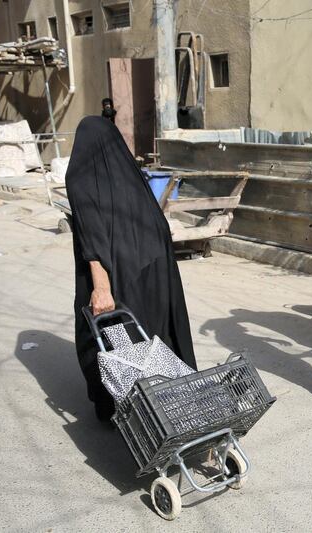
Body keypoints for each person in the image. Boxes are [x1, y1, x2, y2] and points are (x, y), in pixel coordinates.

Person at [65, 116, 197, 421]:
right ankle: (175, 401)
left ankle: (127, 409)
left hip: (120, 273)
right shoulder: (127, 170)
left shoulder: (80, 176)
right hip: (156, 267)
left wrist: (100, 288)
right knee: (158, 335)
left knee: (117, 337)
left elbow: (92, 236)